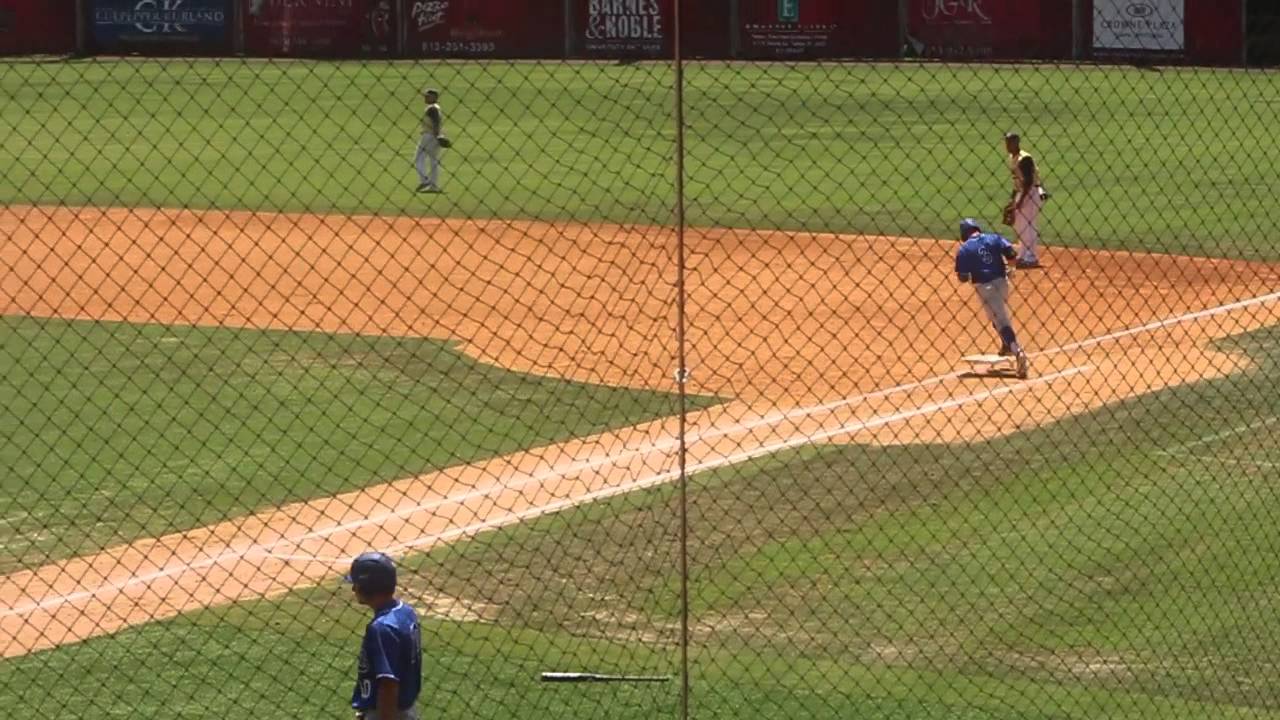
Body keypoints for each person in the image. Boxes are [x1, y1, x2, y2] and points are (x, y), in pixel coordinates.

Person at [348, 552, 423, 720]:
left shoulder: (382, 628)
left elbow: (388, 684)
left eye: (357, 583)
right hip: (405, 710)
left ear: (369, 586)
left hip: (389, 713)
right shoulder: (406, 612)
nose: (354, 588)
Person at [955, 218, 1029, 379]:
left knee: (1001, 321)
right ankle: (1006, 345)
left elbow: (962, 276)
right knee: (997, 317)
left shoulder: (965, 249)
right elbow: (1011, 253)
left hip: (985, 288)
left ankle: (1018, 351)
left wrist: (970, 274)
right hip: (1003, 284)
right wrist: (1011, 267)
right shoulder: (994, 238)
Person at [1003, 132, 1049, 269]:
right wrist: (1012, 200)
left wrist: (1021, 201)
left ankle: (1031, 257)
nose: (1007, 145)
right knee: (1019, 224)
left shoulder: (1025, 158)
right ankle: (1023, 255)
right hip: (1023, 193)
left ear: (1016, 142)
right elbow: (1016, 182)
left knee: (1028, 225)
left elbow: (1028, 181)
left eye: (1009, 142)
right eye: (1006, 142)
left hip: (1031, 193)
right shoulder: (1012, 157)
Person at [415, 88, 446, 193]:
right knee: (433, 161)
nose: (425, 98)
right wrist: (439, 135)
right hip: (434, 136)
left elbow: (436, 122)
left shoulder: (432, 108)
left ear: (434, 98)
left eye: (428, 96)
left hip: (429, 136)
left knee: (418, 158)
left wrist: (437, 135)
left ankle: (425, 180)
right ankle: (433, 185)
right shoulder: (436, 107)